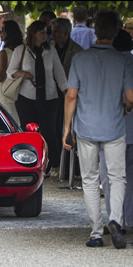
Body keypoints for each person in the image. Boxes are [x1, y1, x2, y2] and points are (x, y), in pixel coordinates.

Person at [63, 11, 133, 248]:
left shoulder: (80, 60)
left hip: (85, 127)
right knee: (117, 177)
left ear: (96, 32)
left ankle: (95, 233)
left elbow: (71, 96)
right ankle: (116, 219)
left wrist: (66, 128)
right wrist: (126, 108)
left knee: (91, 180)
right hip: (114, 126)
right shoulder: (124, 61)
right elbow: (130, 98)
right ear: (115, 33)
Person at [7, 20, 68, 180]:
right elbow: (10, 72)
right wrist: (22, 74)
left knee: (50, 132)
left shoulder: (50, 50)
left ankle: (54, 164)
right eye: (42, 32)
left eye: (46, 33)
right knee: (29, 132)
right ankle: (30, 164)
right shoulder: (21, 50)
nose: (46, 36)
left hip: (49, 98)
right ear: (34, 34)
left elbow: (59, 74)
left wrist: (67, 91)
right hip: (27, 97)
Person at [99, 29, 133, 235]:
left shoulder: (107, 64)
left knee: (110, 178)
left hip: (111, 130)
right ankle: (129, 219)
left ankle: (115, 219)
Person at [50, 18, 84, 180]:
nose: (53, 35)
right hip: (52, 95)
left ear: (65, 33)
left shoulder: (78, 51)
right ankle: (57, 164)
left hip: (68, 95)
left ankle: (70, 168)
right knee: (54, 129)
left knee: (67, 130)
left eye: (56, 32)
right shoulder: (49, 48)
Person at [0, 20, 23, 124]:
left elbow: (1, 77)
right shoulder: (21, 49)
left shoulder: (4, 52)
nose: (0, 33)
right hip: (18, 92)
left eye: (2, 30)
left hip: (6, 92)